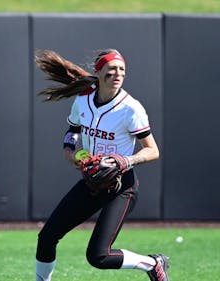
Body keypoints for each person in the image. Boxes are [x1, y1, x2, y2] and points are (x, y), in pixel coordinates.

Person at [33, 49, 169, 281]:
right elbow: (72, 132)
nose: (118, 74)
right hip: (92, 180)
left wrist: (126, 160)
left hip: (121, 187)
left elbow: (152, 150)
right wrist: (70, 151)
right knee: (47, 236)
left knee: (98, 256)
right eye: (112, 69)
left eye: (122, 70)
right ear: (99, 72)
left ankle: (152, 263)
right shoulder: (83, 100)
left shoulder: (131, 108)